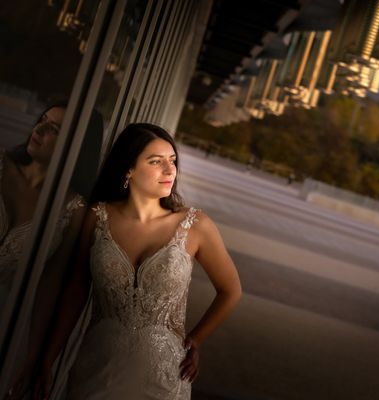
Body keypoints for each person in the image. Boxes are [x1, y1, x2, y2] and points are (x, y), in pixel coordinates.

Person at [34, 123, 242, 399]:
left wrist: (195, 340)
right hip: (98, 369)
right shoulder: (97, 217)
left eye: (172, 161)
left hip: (165, 377)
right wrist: (47, 360)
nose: (170, 171)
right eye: (156, 162)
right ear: (128, 169)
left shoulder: (195, 225)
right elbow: (76, 291)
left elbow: (231, 291)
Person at [2, 101, 103, 399]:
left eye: (54, 129)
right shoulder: (1, 164)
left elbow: (51, 284)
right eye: (43, 120)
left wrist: (35, 357)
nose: (40, 129)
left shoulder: (73, 209)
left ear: (78, 147)